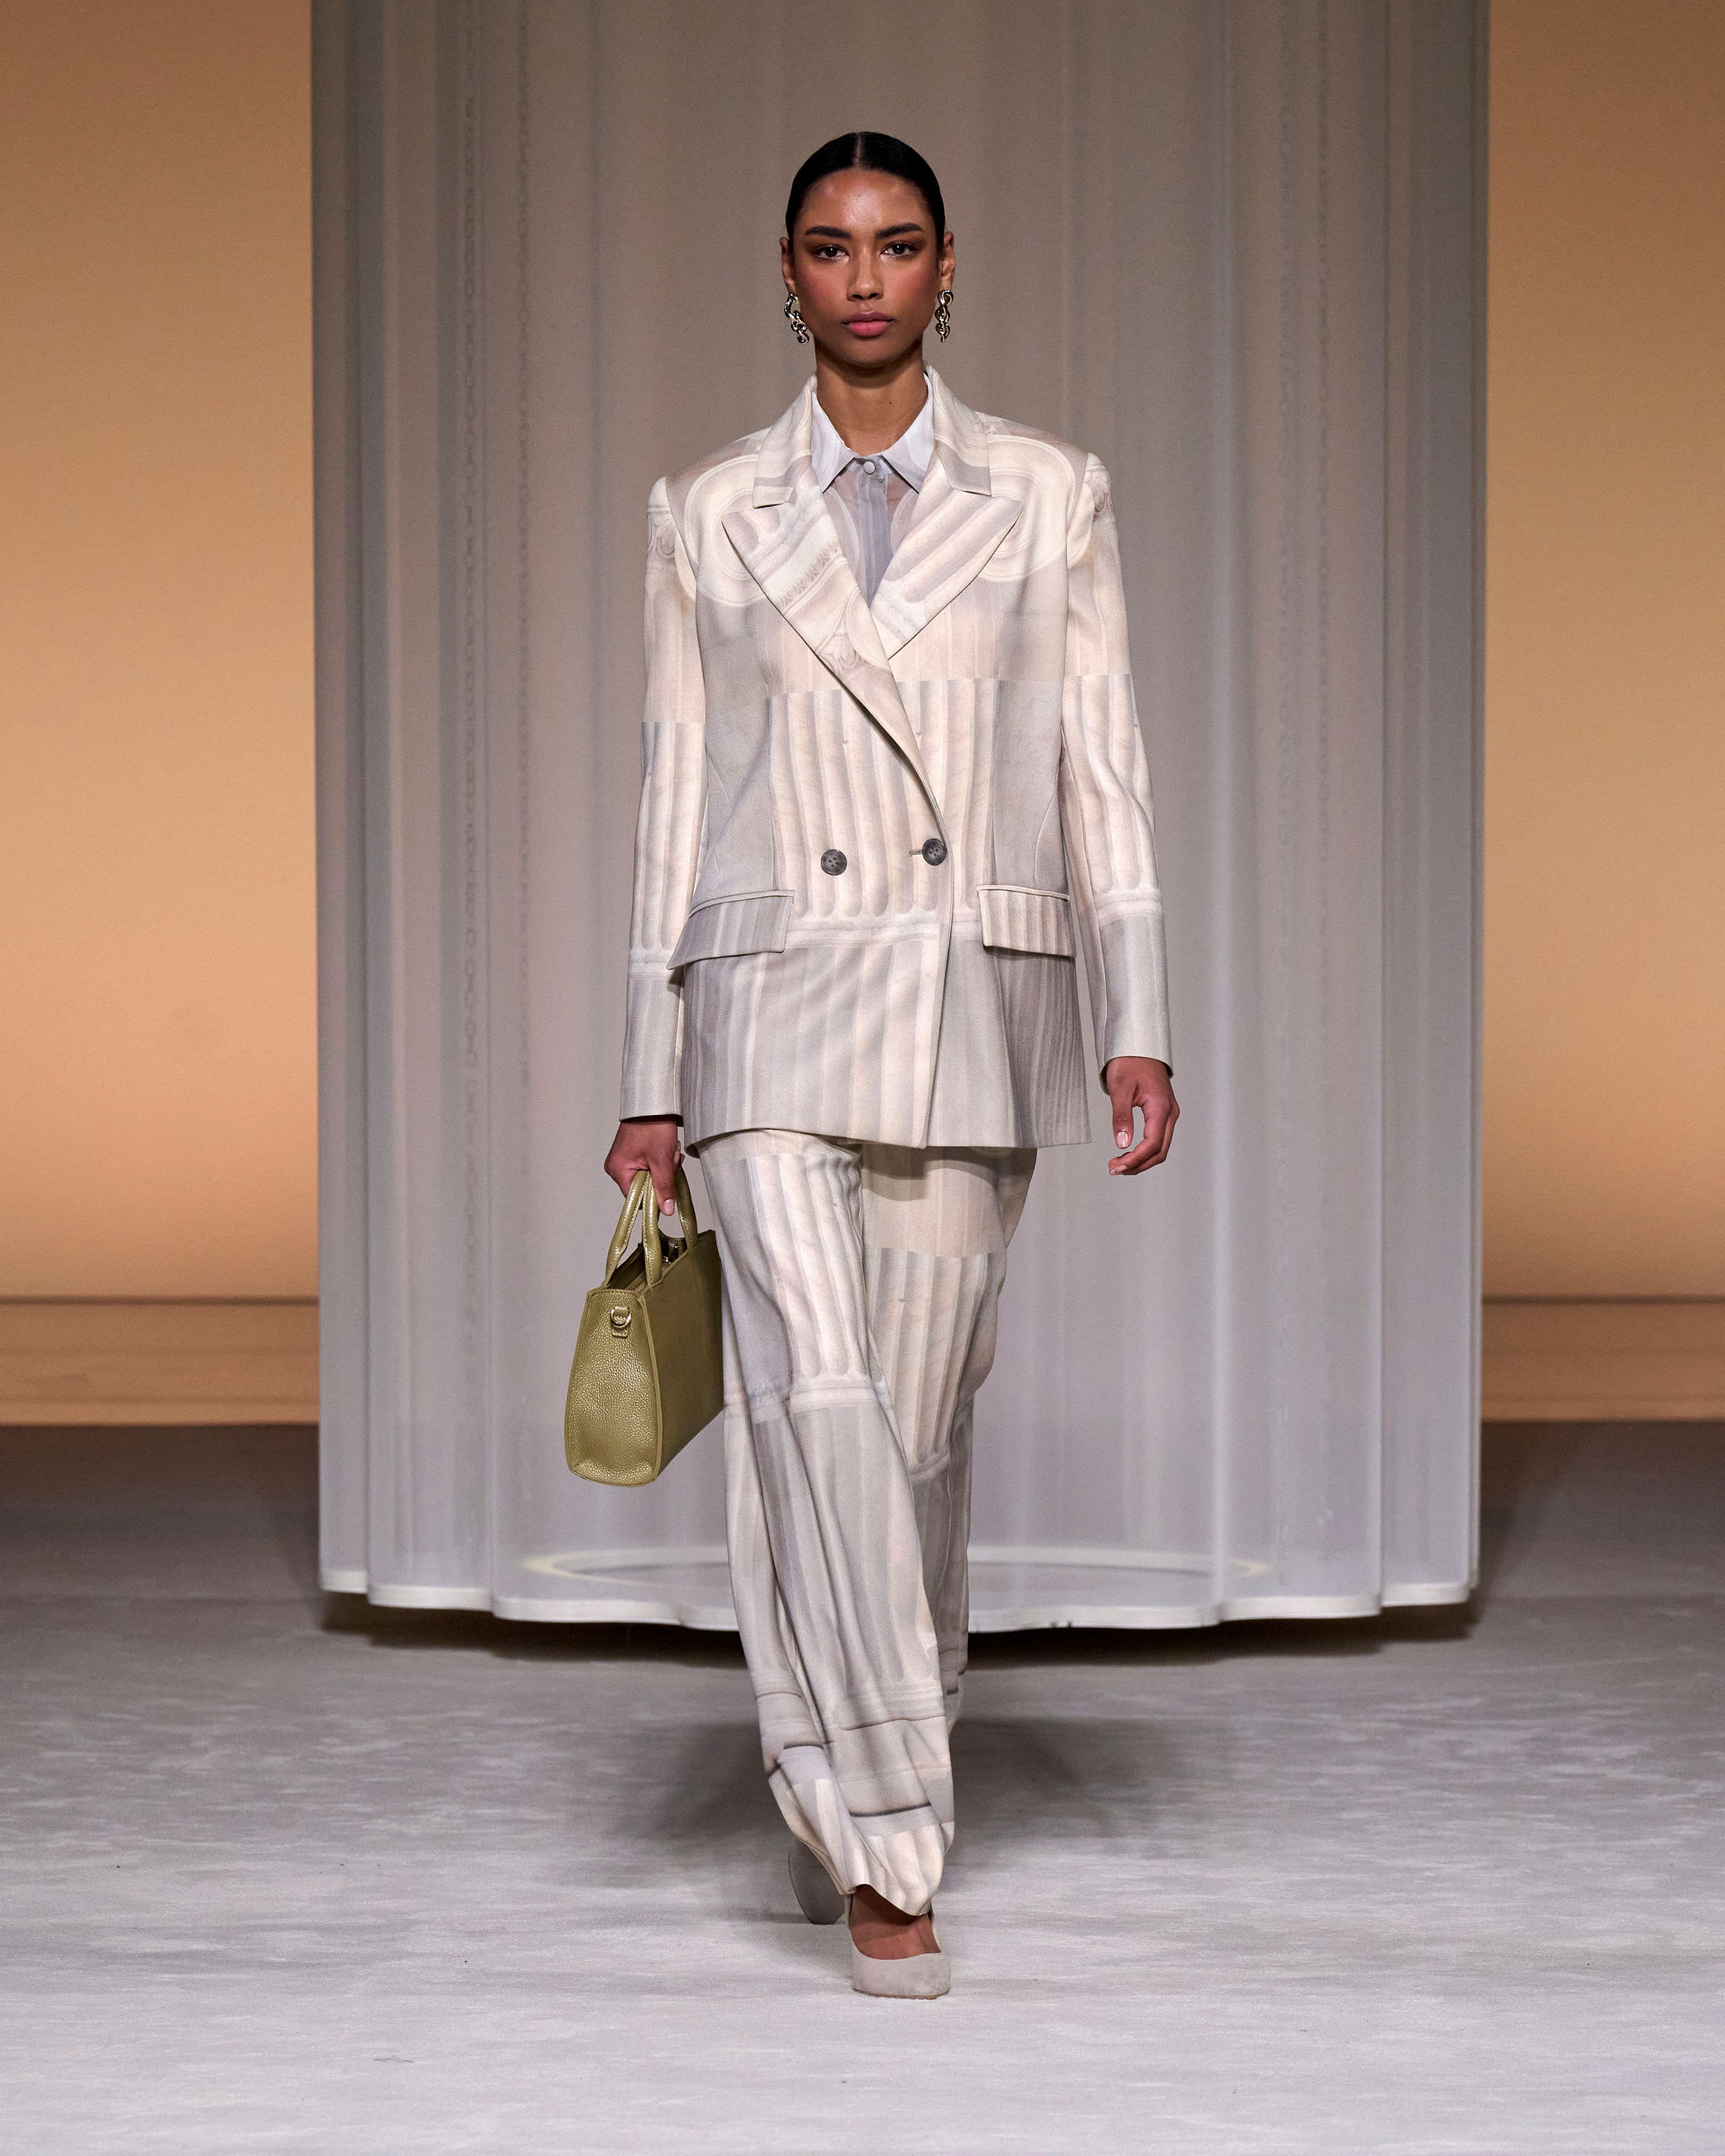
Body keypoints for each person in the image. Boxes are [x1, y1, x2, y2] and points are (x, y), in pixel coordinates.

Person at [604, 131, 1177, 1998]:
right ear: (788, 274)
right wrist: (649, 1068)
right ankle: (888, 1847)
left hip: (966, 1005)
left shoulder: (1050, 492)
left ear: (946, 265)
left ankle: (841, 1772)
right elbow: (675, 790)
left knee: (909, 1449)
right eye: (831, 247)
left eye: (898, 243)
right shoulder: (707, 506)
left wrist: (1138, 1015)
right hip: (767, 1000)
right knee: (818, 1407)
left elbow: (1101, 762)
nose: (865, 277)